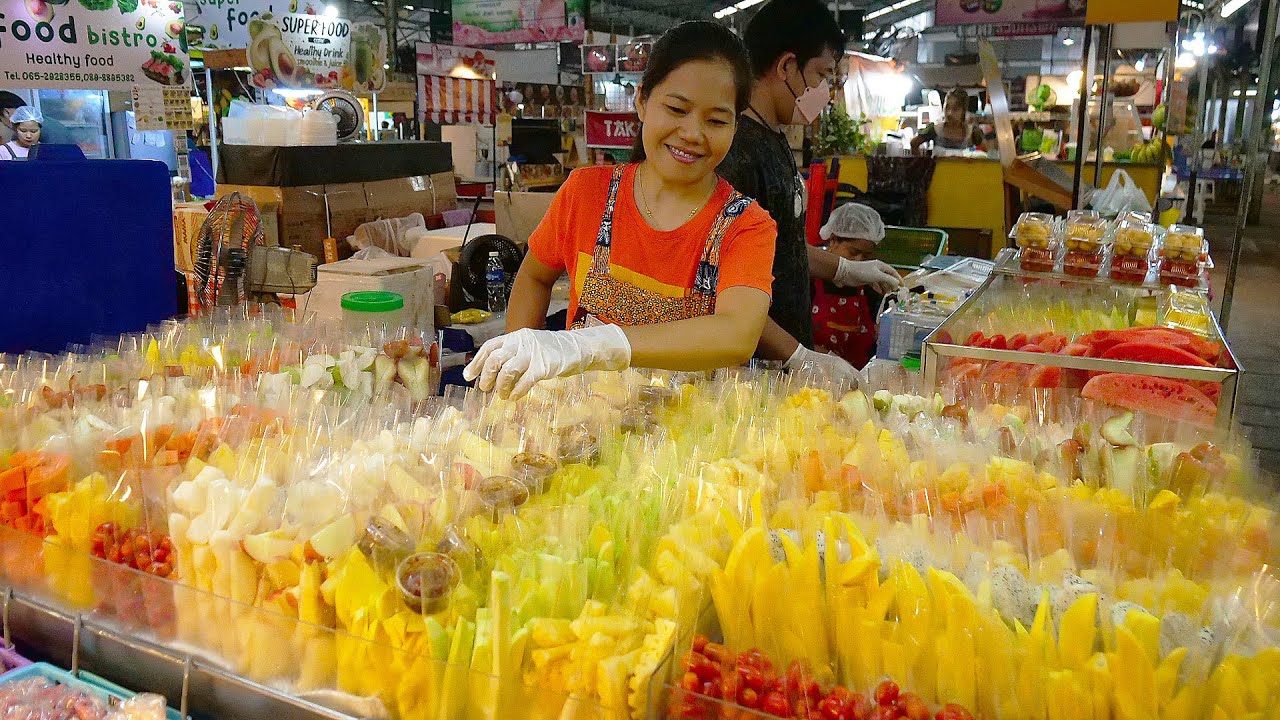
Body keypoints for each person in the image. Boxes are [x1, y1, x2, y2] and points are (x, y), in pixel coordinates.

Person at [464, 21, 777, 400]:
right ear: (642, 100)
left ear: (735, 125)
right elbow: (534, 277)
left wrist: (597, 344)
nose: (693, 133)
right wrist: (523, 359)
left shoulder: (746, 226)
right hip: (577, 427)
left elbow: (737, 334)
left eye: (715, 120)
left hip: (685, 440)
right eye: (677, 109)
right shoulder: (586, 193)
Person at [717, 0, 899, 387]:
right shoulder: (736, 153)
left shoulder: (775, 139)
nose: (827, 93)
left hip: (781, 363)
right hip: (751, 373)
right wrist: (797, 356)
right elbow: (724, 285)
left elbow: (782, 249)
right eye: (822, 75)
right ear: (786, 67)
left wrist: (846, 270)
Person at [811, 203, 897, 369]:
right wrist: (828, 361)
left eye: (866, 256)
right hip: (813, 377)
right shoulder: (810, 279)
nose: (858, 261)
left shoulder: (870, 286)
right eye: (853, 252)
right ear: (834, 240)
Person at [911, 89, 984, 153]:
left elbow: (987, 150)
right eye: (947, 107)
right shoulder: (934, 129)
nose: (949, 113)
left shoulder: (972, 132)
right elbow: (914, 143)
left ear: (963, 111)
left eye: (955, 109)